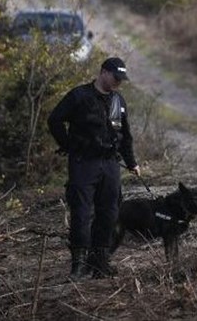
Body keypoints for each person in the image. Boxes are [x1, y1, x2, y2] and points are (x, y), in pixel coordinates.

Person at [47, 57, 141, 280]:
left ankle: (99, 262)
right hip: (84, 163)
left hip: (110, 164)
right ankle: (78, 266)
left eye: (121, 79)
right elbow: (55, 120)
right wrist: (69, 145)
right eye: (115, 78)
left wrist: (131, 162)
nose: (118, 82)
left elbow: (125, 136)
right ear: (103, 72)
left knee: (109, 214)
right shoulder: (79, 96)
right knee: (81, 213)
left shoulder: (119, 101)